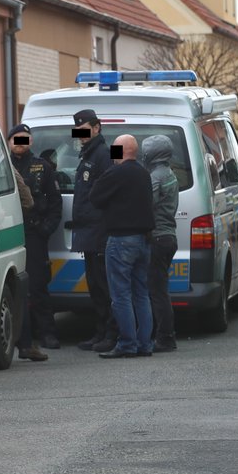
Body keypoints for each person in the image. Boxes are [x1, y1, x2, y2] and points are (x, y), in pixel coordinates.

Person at [89, 134, 155, 358]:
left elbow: (95, 196)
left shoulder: (115, 173)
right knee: (141, 294)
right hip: (143, 241)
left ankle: (127, 344)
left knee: (120, 295)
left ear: (122, 151)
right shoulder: (144, 174)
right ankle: (144, 344)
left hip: (120, 241)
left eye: (114, 150)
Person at [9, 123, 63, 356]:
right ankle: (19, 337)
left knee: (38, 285)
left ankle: (47, 332)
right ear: (9, 142)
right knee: (13, 287)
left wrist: (45, 230)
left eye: (24, 139)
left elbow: (54, 203)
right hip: (9, 233)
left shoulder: (42, 167)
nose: (20, 143)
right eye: (15, 139)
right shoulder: (0, 165)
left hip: (34, 233)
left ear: (30, 142)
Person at [70, 109, 116, 353]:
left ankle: (111, 333)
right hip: (88, 231)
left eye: (85, 128)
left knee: (104, 285)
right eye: (78, 129)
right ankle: (100, 332)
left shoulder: (105, 154)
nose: (81, 133)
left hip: (100, 231)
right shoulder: (86, 154)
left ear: (97, 127)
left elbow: (108, 193)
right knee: (95, 287)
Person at [142, 135, 180, 352]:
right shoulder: (169, 173)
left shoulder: (155, 177)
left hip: (157, 238)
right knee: (159, 289)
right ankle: (164, 334)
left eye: (146, 151)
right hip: (168, 237)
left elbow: (146, 205)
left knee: (157, 291)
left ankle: (165, 337)